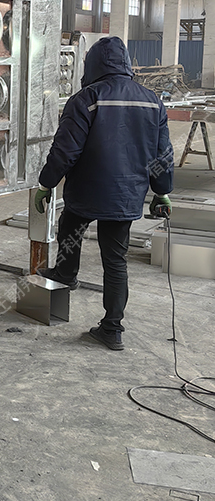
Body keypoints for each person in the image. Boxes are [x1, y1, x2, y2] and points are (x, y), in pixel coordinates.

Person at [34, 36, 173, 351]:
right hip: (126, 195)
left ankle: (66, 274)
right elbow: (162, 155)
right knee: (115, 260)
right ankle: (112, 329)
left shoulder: (87, 99)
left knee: (70, 228)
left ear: (92, 65)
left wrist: (46, 183)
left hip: (87, 190)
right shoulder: (152, 101)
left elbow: (65, 151)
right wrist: (162, 192)